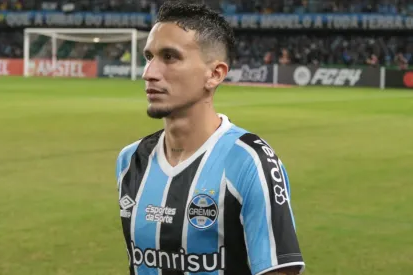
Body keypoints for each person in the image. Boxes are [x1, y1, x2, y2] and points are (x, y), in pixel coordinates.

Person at [115, 1, 305, 274]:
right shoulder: (131, 161)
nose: (149, 73)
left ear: (215, 74)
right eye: (149, 57)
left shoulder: (250, 161)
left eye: (169, 57)